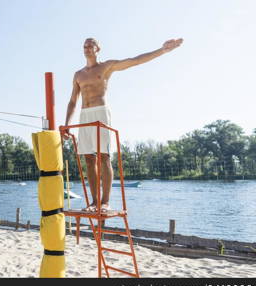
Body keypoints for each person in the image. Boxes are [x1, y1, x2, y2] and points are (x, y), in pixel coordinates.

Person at [63, 37, 183, 213]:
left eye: (91, 46)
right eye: (85, 46)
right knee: (89, 159)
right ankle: (94, 202)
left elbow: (134, 61)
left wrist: (162, 50)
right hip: (84, 115)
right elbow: (73, 100)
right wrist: (67, 124)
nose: (87, 48)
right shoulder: (78, 74)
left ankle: (105, 201)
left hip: (101, 111)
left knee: (103, 156)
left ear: (98, 49)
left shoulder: (106, 67)